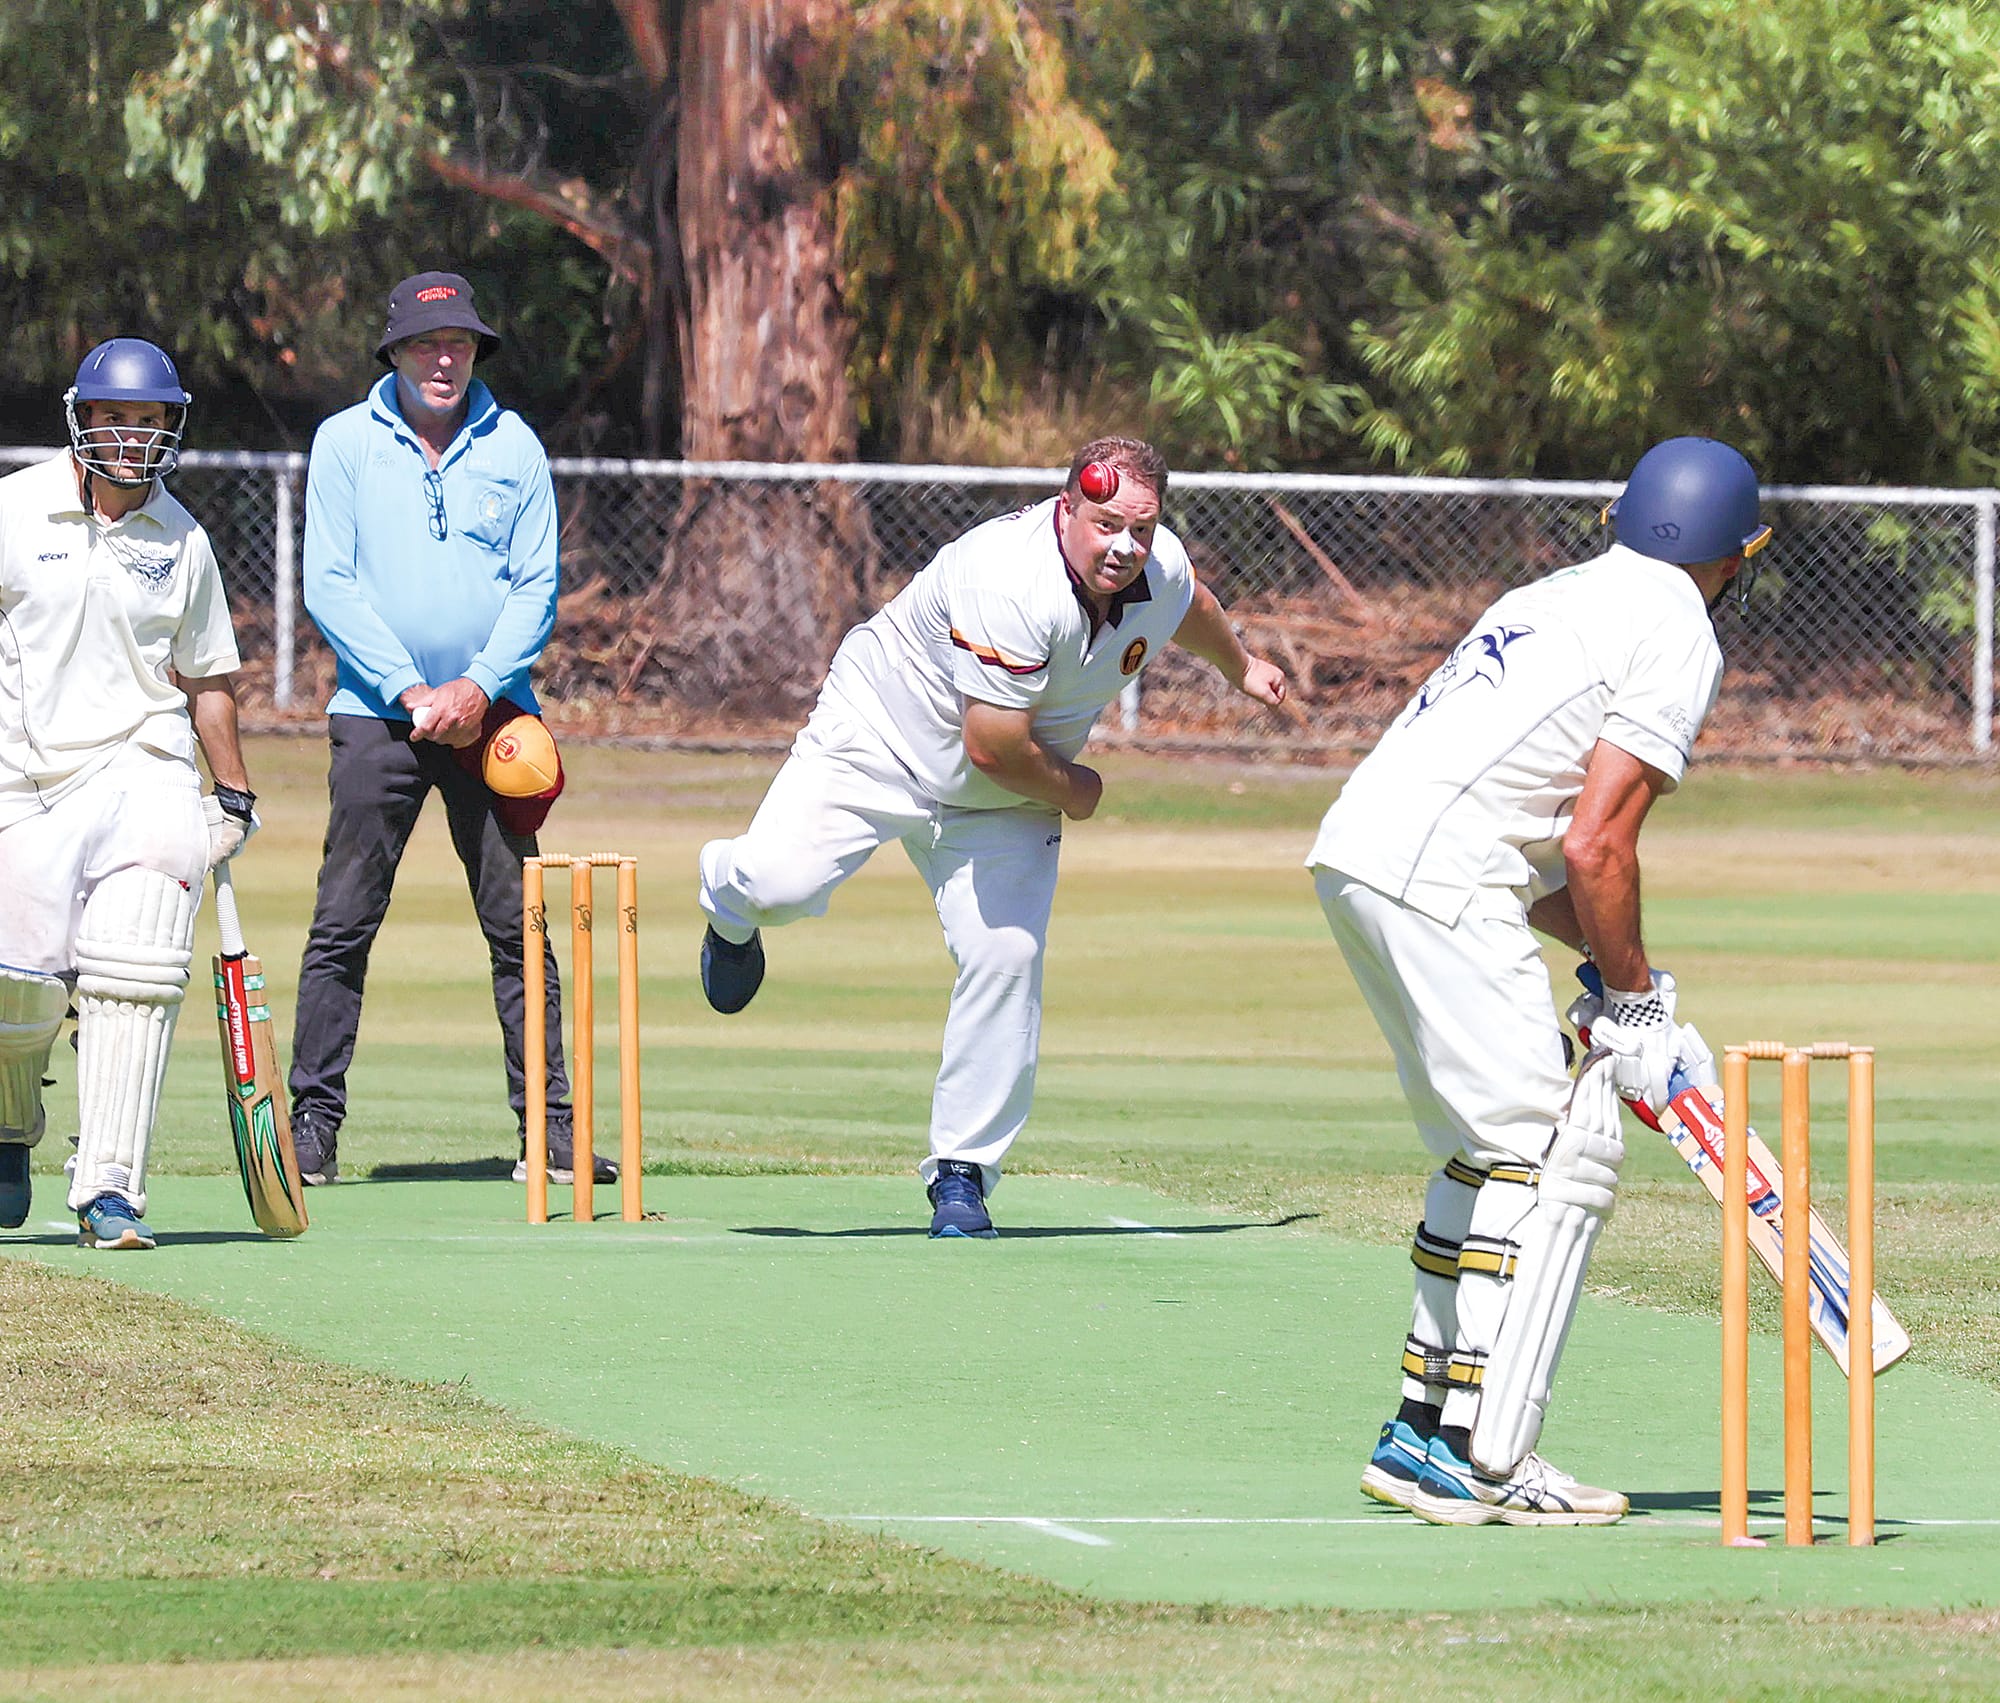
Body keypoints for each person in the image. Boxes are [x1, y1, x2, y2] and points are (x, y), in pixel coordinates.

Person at [1307, 436, 1769, 1526]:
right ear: (1736, 553)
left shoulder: (1557, 590)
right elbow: (1593, 845)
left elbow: (1541, 849)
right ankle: (1482, 1450)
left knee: (1486, 1145)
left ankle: (1422, 1432)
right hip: (1444, 874)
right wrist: (1639, 1008)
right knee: (1543, 1148)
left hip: (1361, 852)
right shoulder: (1677, 628)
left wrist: (1631, 983)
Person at [697, 437, 1288, 1236]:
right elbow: (993, 744)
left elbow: (1193, 606)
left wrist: (1241, 668)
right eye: (1105, 522)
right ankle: (726, 909)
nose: (1123, 546)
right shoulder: (1010, 579)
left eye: (1140, 529)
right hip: (886, 737)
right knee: (775, 885)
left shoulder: (1160, 564)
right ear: (1066, 507)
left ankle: (962, 1171)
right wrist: (1077, 790)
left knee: (1006, 954)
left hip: (1003, 792)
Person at [288, 270, 607, 1189]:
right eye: (428, 344)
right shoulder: (344, 442)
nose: (444, 358)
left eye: (460, 343)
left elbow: (535, 588)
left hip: (498, 720)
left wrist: (474, 687)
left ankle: (548, 1130)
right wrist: (407, 686)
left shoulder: (516, 447)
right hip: (375, 718)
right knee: (344, 923)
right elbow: (330, 585)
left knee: (520, 928)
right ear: (393, 351)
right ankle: (313, 1126)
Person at [0, 337, 259, 1249]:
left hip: (146, 766)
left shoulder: (183, 541)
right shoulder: (15, 510)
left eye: (149, 421)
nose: (131, 437)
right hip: (23, 781)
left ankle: (109, 1186)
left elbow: (208, 680)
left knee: (136, 971)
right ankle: (8, 1121)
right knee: (16, 989)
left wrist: (230, 798)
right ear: (82, 418)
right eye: (115, 417)